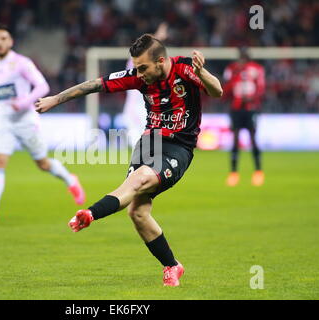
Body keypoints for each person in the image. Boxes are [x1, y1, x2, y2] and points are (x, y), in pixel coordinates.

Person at [35, 34, 223, 286]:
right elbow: (94, 84)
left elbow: (217, 91)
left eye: (143, 67)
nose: (139, 73)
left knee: (140, 180)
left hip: (179, 146)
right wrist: (54, 100)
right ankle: (172, 266)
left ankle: (90, 213)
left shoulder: (185, 67)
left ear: (161, 61)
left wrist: (203, 74)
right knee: (138, 212)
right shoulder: (138, 76)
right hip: (150, 141)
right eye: (137, 68)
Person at [0, 24, 85, 223]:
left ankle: (70, 179)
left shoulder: (22, 63)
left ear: (11, 41)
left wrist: (24, 102)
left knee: (42, 163)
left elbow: (43, 86)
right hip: (4, 122)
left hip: (26, 121)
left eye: (3, 38)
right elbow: (1, 94)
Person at [223, 47, 266, 186]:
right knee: (235, 141)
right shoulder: (231, 69)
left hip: (250, 108)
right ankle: (233, 173)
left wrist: (252, 98)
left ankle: (258, 172)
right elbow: (226, 89)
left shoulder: (256, 69)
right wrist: (235, 75)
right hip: (236, 108)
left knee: (253, 139)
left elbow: (261, 87)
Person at [122, 22, 169, 147]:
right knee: (144, 152)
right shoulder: (136, 60)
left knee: (151, 153)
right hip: (136, 111)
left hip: (145, 111)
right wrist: (158, 36)